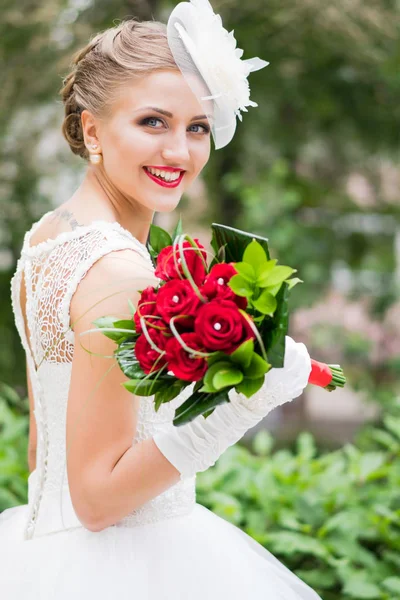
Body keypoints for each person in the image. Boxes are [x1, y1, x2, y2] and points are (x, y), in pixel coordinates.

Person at [0, 2, 323, 598]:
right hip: (128, 562)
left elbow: (42, 452)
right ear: (92, 129)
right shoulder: (119, 271)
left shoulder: (48, 237)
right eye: (153, 122)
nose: (180, 152)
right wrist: (249, 402)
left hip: (46, 552)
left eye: (196, 126)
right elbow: (97, 501)